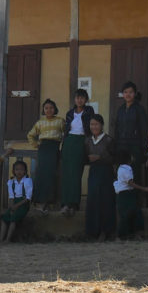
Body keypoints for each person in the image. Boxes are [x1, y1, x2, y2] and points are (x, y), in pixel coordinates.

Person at [26, 98, 64, 213]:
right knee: (41, 175)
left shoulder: (60, 121)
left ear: (55, 109)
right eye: (46, 108)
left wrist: (64, 147)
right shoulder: (40, 123)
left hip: (54, 149)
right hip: (43, 149)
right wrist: (37, 145)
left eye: (51, 108)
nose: (49, 110)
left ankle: (51, 202)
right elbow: (30, 135)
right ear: (43, 109)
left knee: (53, 175)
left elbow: (66, 134)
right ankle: (39, 202)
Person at [61, 89, 94, 217]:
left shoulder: (89, 111)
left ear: (86, 100)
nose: (79, 100)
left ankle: (74, 204)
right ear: (74, 99)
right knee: (66, 174)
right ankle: (65, 204)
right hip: (69, 142)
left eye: (82, 98)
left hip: (81, 141)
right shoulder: (69, 113)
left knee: (75, 174)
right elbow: (66, 130)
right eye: (77, 98)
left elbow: (90, 127)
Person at [84, 114, 116, 242]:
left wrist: (100, 158)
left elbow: (114, 158)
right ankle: (92, 231)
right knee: (92, 200)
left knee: (105, 201)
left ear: (102, 125)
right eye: (92, 124)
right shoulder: (87, 141)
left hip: (106, 172)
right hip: (94, 172)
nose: (94, 127)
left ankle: (106, 231)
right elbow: (84, 157)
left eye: (96, 124)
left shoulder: (109, 140)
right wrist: (88, 159)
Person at [113, 82, 148, 187]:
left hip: (135, 146)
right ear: (122, 94)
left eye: (130, 92)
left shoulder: (139, 109)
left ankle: (135, 201)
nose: (128, 95)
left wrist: (144, 148)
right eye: (125, 92)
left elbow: (144, 129)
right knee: (122, 174)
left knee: (134, 173)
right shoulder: (120, 109)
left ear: (135, 93)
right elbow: (117, 129)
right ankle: (123, 200)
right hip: (121, 146)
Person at [114, 150, 148, 240]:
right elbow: (130, 183)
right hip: (125, 194)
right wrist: (144, 189)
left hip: (124, 194)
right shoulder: (126, 169)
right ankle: (125, 235)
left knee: (128, 214)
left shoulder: (122, 168)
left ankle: (129, 234)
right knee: (129, 214)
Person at [0, 159, 33, 243]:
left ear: (25, 171)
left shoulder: (27, 181)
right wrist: (11, 207)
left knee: (13, 218)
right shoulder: (11, 182)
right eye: (17, 169)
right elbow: (11, 197)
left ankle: (8, 239)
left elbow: (28, 198)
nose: (19, 172)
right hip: (14, 204)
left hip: (23, 204)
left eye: (21, 169)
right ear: (13, 171)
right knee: (5, 218)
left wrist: (16, 206)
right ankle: (0, 239)